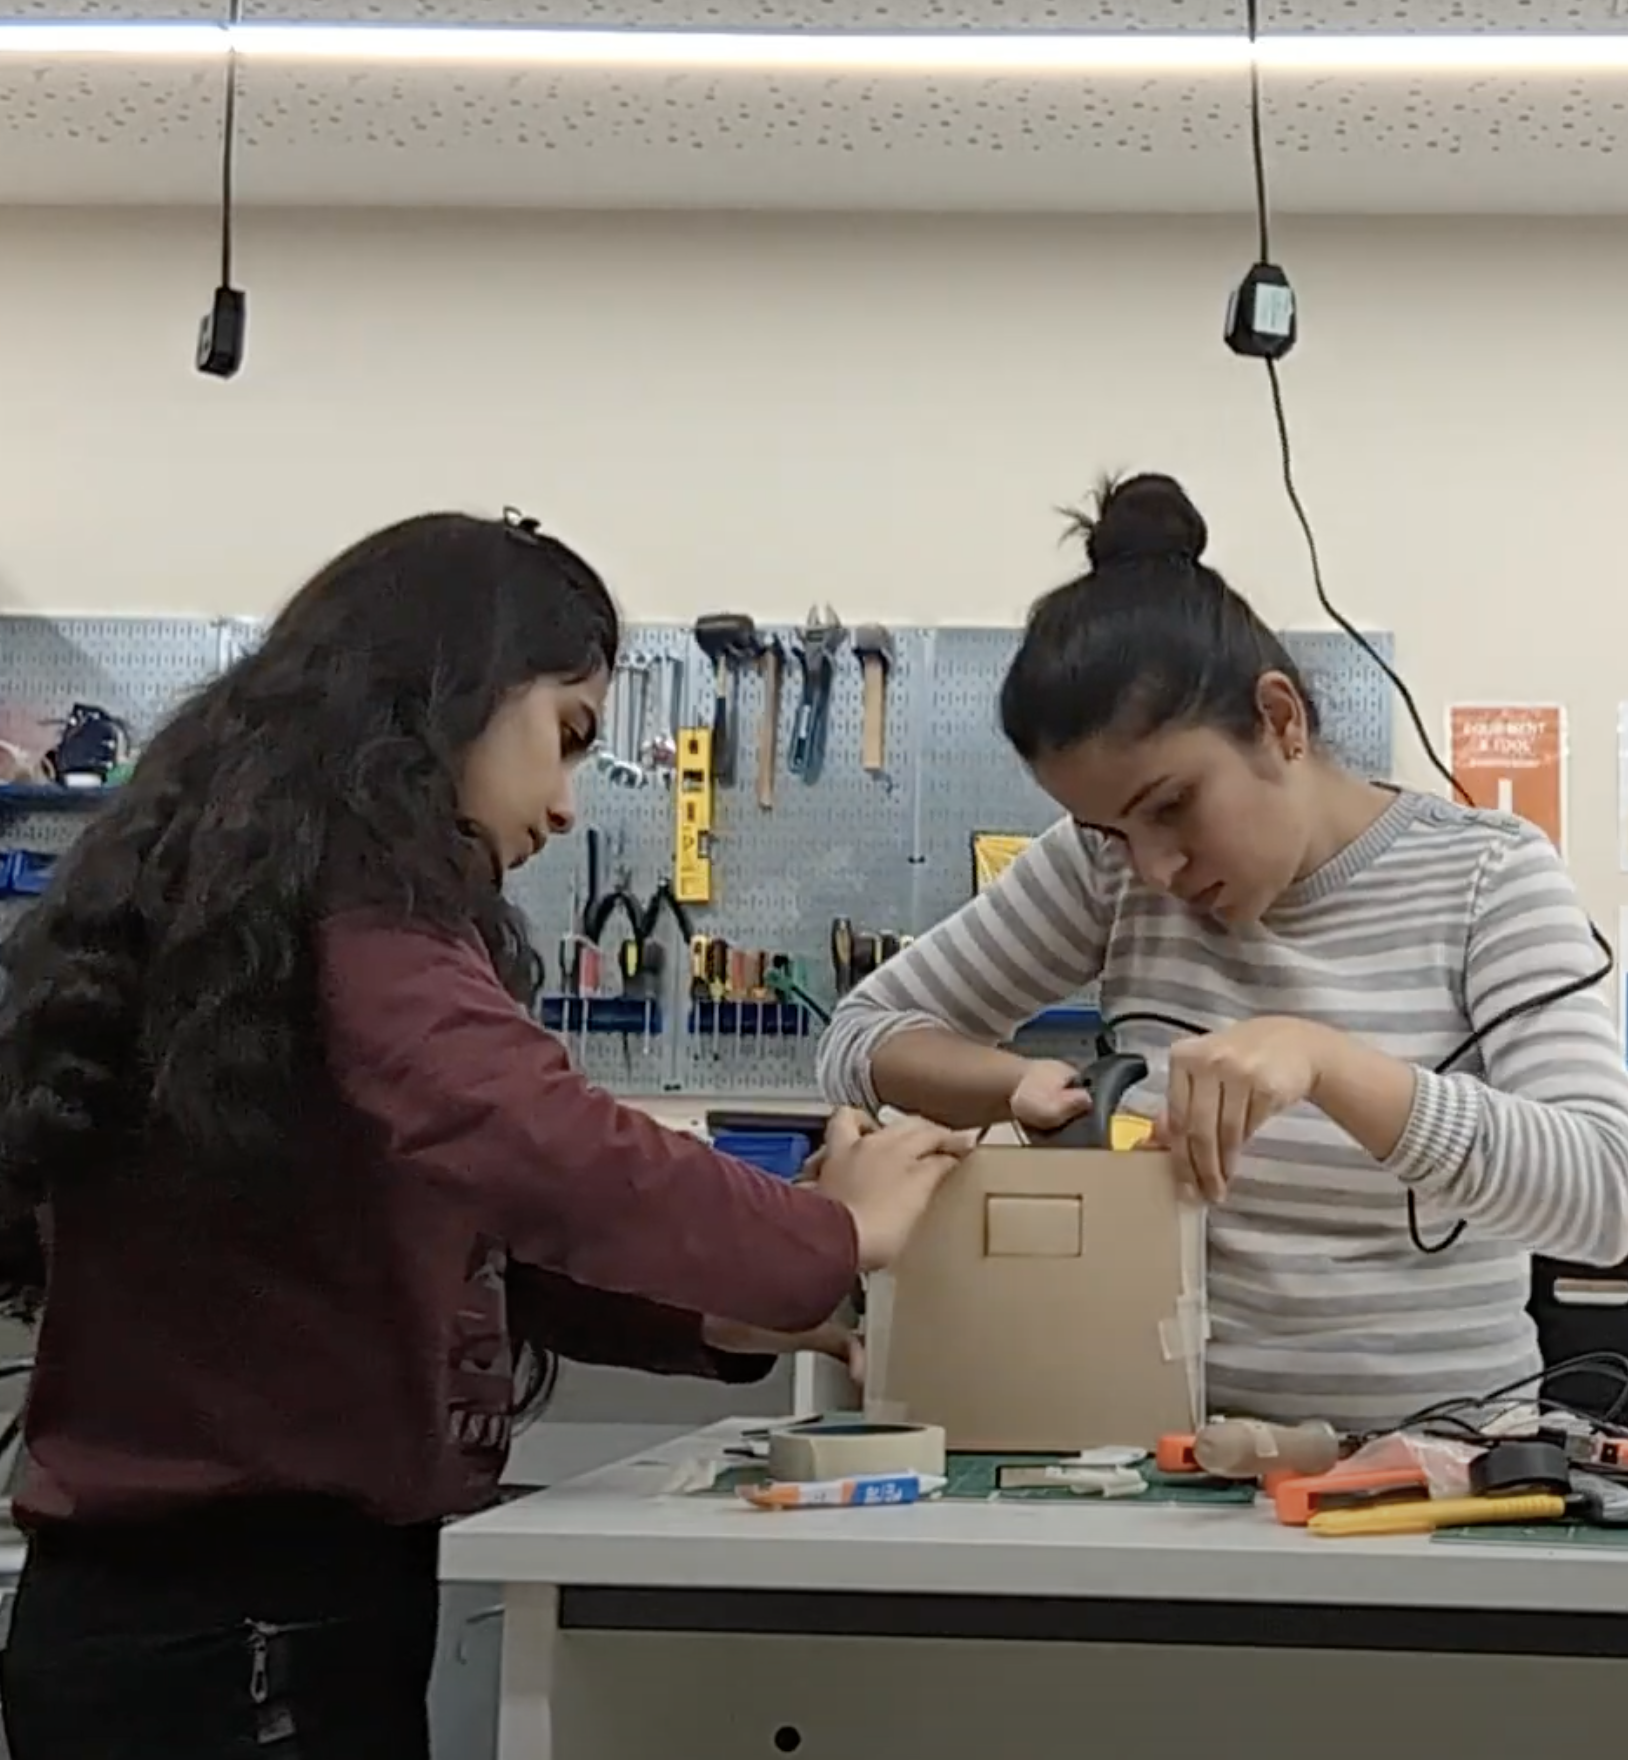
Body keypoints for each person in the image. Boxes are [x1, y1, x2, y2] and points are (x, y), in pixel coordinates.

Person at [0, 507, 968, 1760]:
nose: (567, 806)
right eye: (563, 737)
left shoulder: (264, 910)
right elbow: (538, 1137)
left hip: (232, 1618)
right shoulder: (350, 918)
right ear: (448, 695)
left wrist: (710, 1316)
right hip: (235, 1634)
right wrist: (829, 1231)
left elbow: (436, 1227)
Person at [818, 470, 1628, 1434]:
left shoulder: (1489, 876)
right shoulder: (1104, 871)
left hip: (1432, 1474)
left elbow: (1603, 1196)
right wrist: (1014, 1085)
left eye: (1171, 806)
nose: (1155, 867)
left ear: (1280, 721)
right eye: (1112, 830)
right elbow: (859, 1038)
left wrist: (1325, 1062)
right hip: (1171, 1470)